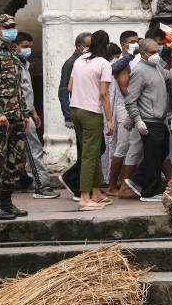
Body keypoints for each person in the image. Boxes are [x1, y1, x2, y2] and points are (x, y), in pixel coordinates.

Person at [0, 14, 32, 220]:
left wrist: (24, 113)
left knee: (16, 160)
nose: (11, 29)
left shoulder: (13, 52)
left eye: (13, 26)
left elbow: (18, 87)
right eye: (7, 27)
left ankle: (6, 202)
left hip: (17, 115)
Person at [68, 29, 114, 210]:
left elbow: (70, 87)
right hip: (91, 112)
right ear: (107, 46)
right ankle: (84, 198)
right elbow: (104, 94)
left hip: (75, 109)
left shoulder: (80, 59)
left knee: (92, 152)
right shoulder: (104, 64)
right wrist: (109, 119)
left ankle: (96, 193)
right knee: (89, 154)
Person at [124, 39, 172, 201]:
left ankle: (136, 179)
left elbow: (170, 76)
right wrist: (138, 120)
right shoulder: (139, 71)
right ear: (143, 54)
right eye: (152, 52)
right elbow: (130, 99)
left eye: (157, 51)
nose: (156, 55)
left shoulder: (156, 66)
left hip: (159, 119)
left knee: (162, 152)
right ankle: (149, 191)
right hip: (148, 119)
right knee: (153, 156)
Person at [14, 32, 59, 198]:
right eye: (24, 46)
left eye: (29, 47)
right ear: (15, 46)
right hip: (19, 114)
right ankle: (42, 186)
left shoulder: (22, 64)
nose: (28, 50)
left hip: (25, 112)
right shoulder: (14, 65)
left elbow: (27, 91)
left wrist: (32, 111)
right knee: (34, 149)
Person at [106, 30, 140, 195]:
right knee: (123, 146)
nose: (136, 44)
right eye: (133, 41)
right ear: (123, 44)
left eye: (138, 40)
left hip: (135, 106)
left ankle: (126, 183)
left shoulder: (137, 61)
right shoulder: (122, 63)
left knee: (134, 145)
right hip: (125, 107)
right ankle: (112, 186)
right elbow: (125, 90)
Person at [58, 31, 91, 193]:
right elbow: (64, 90)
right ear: (80, 46)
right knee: (85, 149)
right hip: (78, 112)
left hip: (86, 110)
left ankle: (75, 180)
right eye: (89, 46)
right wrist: (68, 116)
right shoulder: (72, 63)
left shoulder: (85, 61)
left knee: (91, 149)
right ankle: (73, 180)